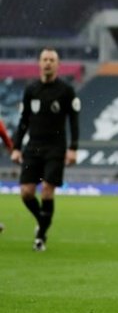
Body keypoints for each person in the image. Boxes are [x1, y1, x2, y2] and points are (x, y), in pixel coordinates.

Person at [10, 48, 81, 252]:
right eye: (44, 59)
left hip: (56, 148)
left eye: (52, 60)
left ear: (58, 65)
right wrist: (16, 147)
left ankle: (40, 237)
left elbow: (74, 120)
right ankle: (42, 221)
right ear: (39, 64)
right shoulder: (31, 90)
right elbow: (23, 121)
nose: (48, 63)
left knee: (48, 190)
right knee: (26, 192)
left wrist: (73, 148)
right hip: (33, 146)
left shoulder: (66, 91)